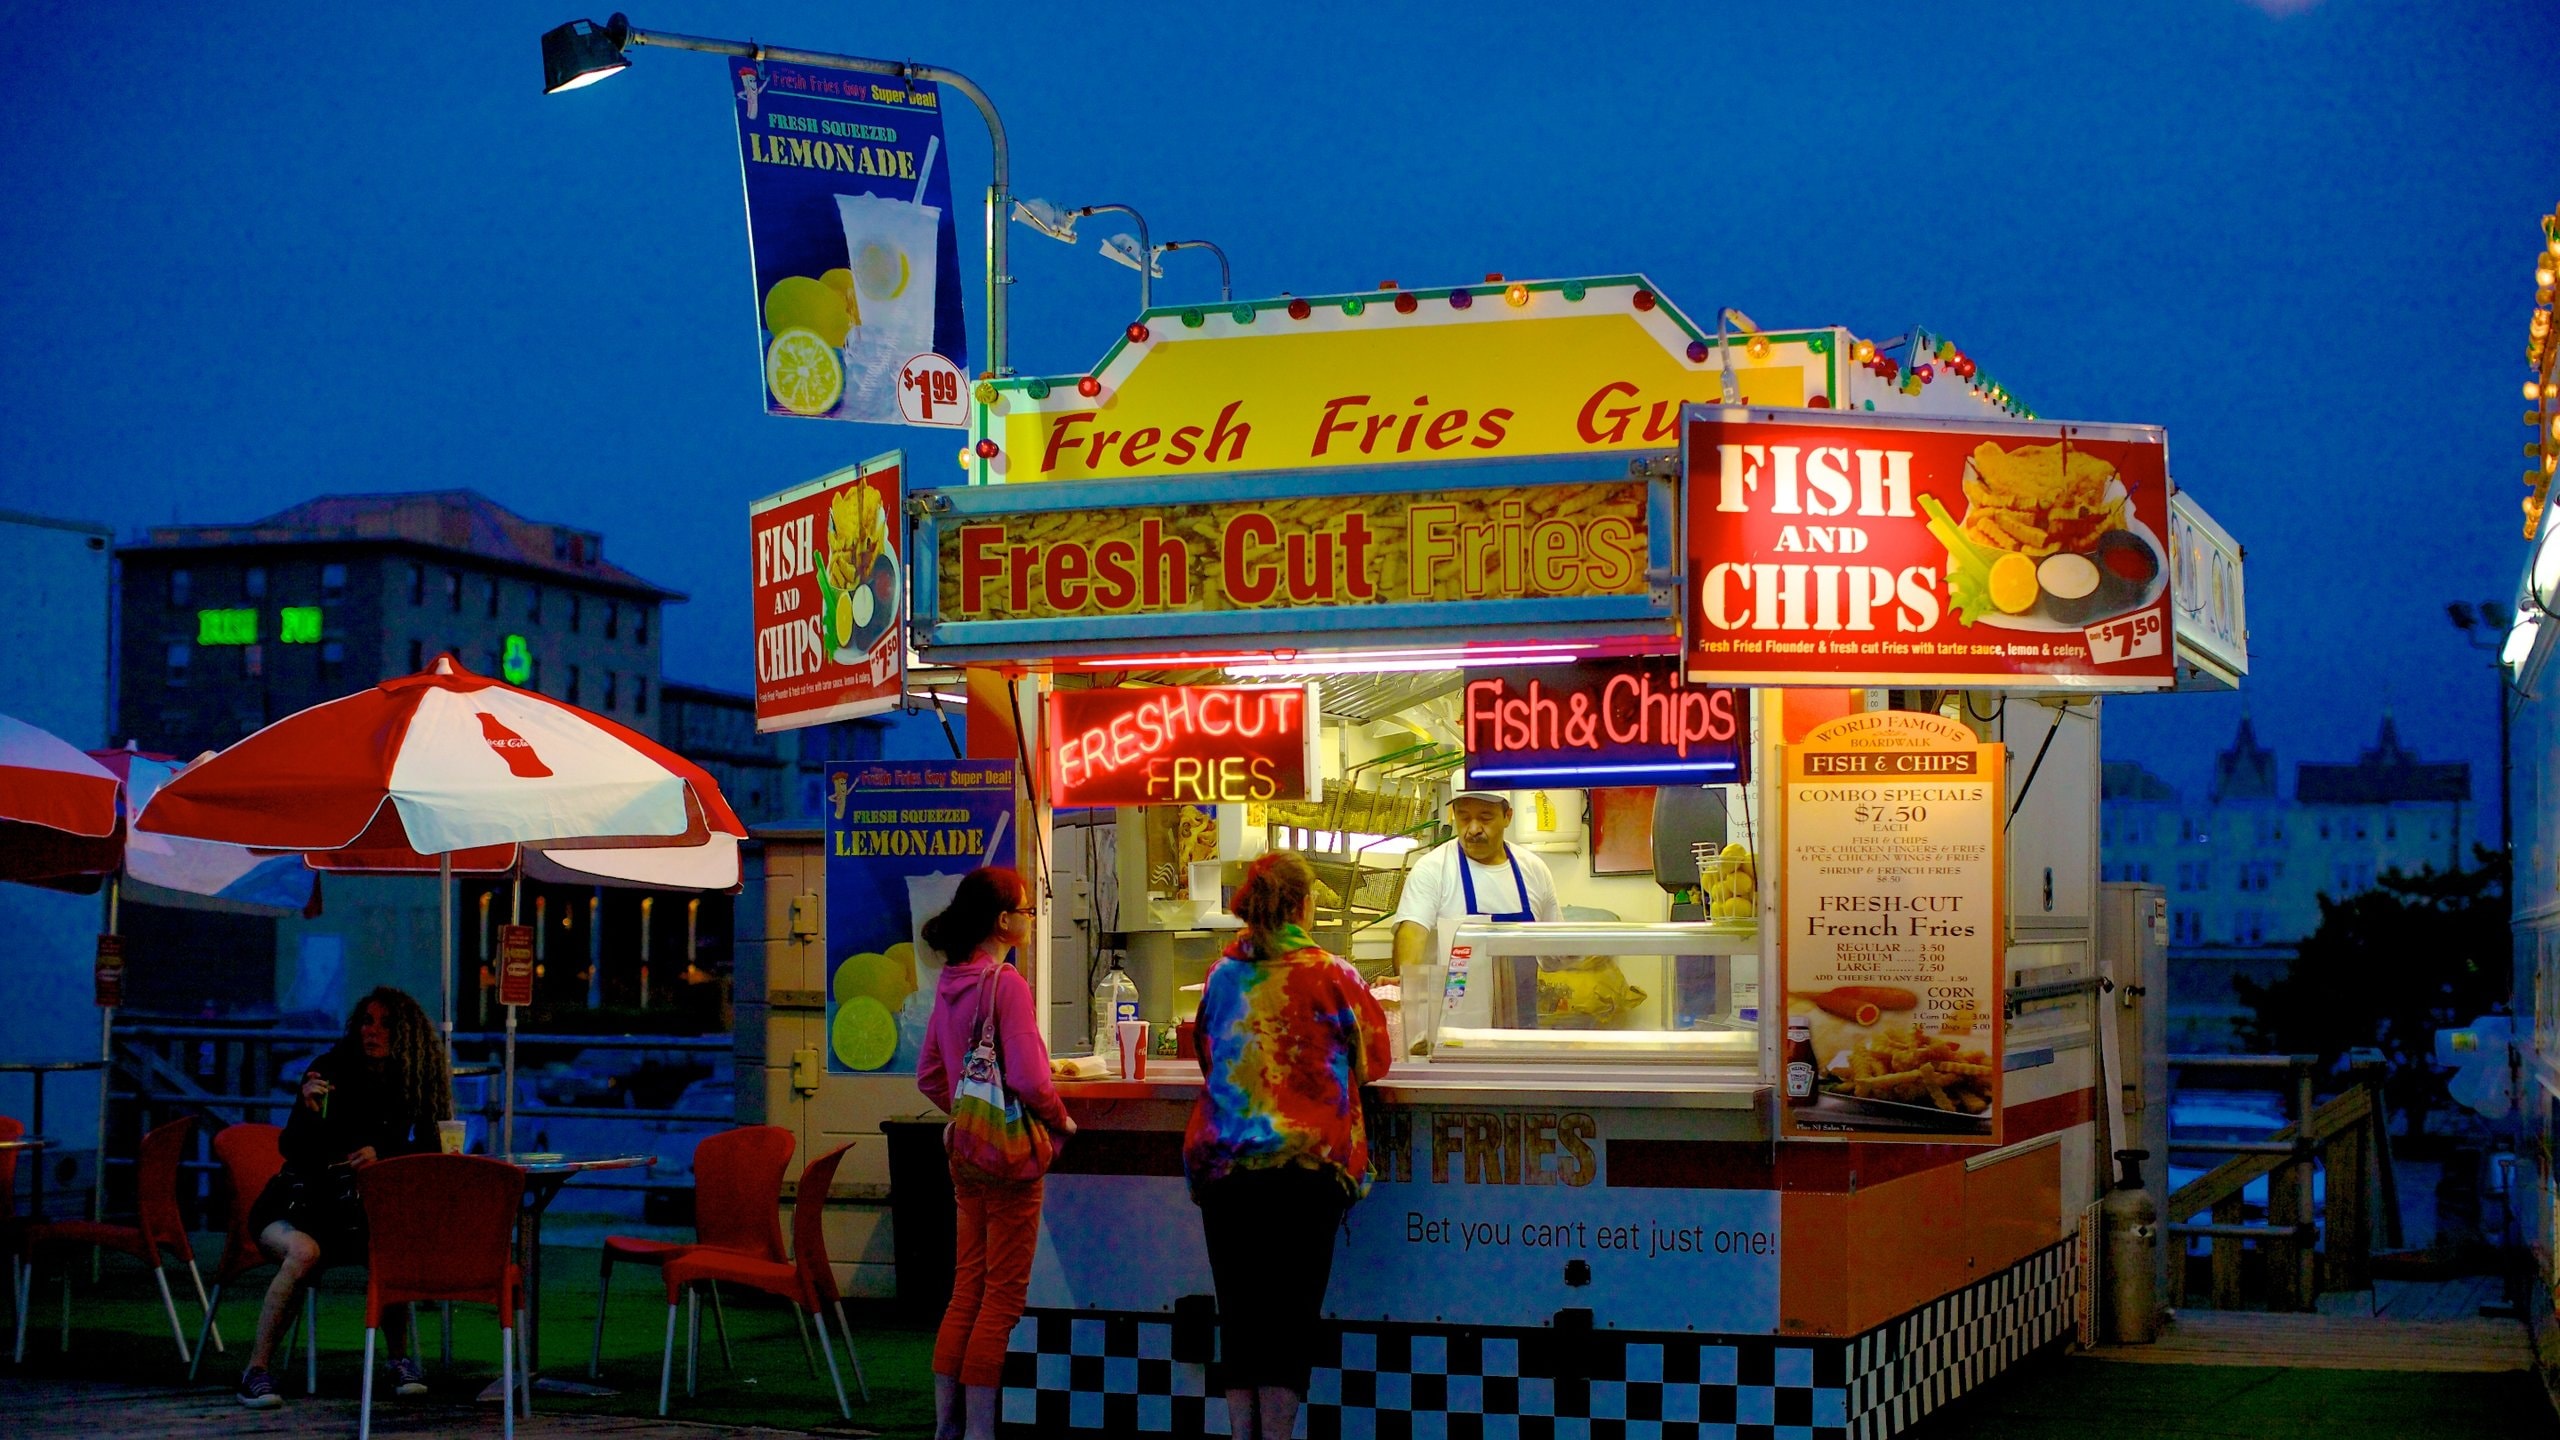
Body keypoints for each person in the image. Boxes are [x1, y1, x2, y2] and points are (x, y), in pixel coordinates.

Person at [1185, 851, 1393, 1440]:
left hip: (1225, 1168)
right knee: (1289, 1318)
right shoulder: (1332, 974)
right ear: (1304, 905)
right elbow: (1374, 1060)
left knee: (1241, 1315)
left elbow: (1207, 1054)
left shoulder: (1221, 976)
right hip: (1307, 1168)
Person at [916, 866, 1075, 1440]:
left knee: (966, 1291)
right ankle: (982, 1432)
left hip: (965, 1154)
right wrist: (1062, 1120)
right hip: (1011, 1159)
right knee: (1001, 1301)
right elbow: (1032, 1080)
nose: (1031, 920)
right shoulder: (1005, 984)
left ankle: (947, 1428)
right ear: (1003, 921)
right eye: (1027, 911)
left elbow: (930, 1074)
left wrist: (968, 1114)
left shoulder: (951, 980)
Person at [236, 986, 451, 1409]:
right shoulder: (330, 1069)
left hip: (354, 1212)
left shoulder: (412, 1081)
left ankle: (399, 1360)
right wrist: (309, 1111)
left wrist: (383, 1154)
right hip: (295, 1207)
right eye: (367, 1022)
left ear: (406, 1034)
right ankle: (255, 1371)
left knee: (386, 1246)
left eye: (386, 1025)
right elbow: (292, 1150)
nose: (373, 1032)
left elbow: (432, 1150)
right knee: (302, 1253)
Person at [1388, 789, 1561, 974]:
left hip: (1521, 1002)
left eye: (1485, 818)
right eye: (1464, 818)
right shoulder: (1433, 868)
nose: (1473, 829)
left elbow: (1556, 952)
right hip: (1451, 1001)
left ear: (1507, 816)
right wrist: (1407, 978)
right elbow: (1412, 931)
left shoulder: (1535, 870)